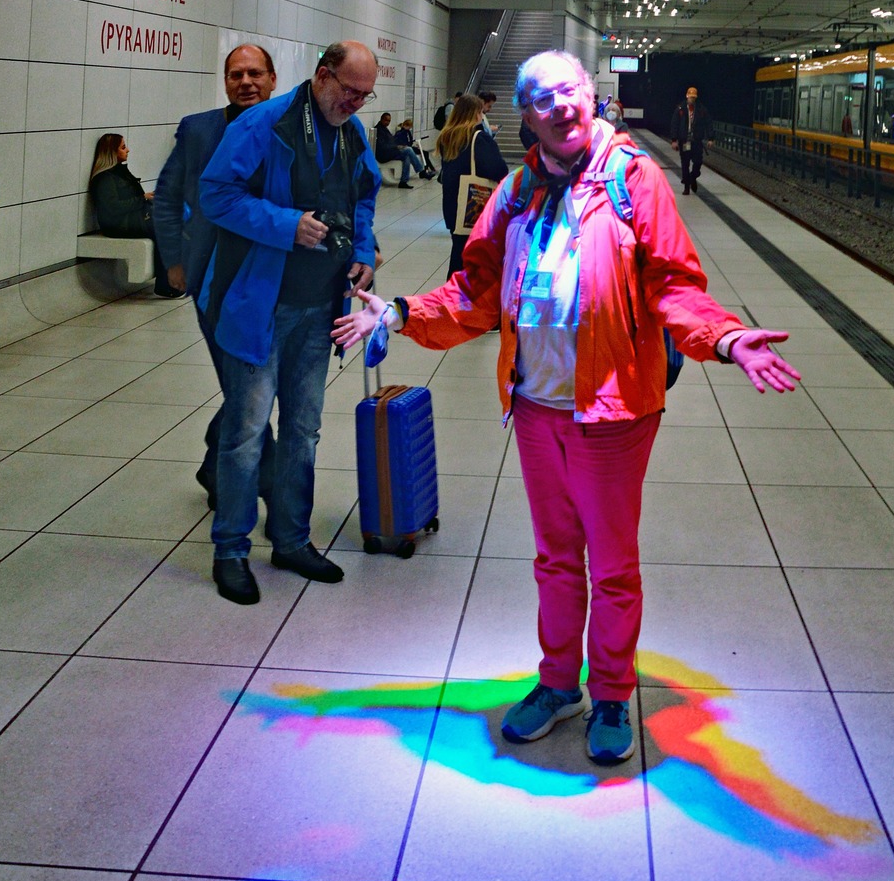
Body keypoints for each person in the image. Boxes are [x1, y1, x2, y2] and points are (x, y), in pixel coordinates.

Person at [333, 49, 799, 768]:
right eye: (545, 98)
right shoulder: (515, 192)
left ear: (592, 97)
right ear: (528, 115)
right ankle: (560, 684)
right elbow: (475, 293)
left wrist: (728, 337)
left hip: (613, 412)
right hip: (536, 407)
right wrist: (399, 313)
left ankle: (611, 691)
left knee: (611, 565)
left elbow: (675, 285)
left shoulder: (631, 179)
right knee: (555, 560)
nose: (562, 105)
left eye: (572, 91)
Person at [197, 40, 382, 605]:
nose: (354, 103)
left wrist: (365, 253)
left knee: (304, 429)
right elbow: (215, 194)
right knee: (246, 433)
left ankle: (291, 539)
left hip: (320, 308)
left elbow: (364, 199)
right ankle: (230, 549)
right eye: (348, 91)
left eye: (364, 96)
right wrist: (284, 225)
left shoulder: (352, 134)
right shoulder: (264, 123)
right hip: (259, 303)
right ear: (322, 75)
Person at [152, 43, 279, 508]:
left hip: (272, 279)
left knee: (250, 387)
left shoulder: (292, 130)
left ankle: (214, 465)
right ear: (225, 82)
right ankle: (276, 489)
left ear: (273, 80)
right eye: (235, 74)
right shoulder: (199, 130)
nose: (245, 82)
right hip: (213, 281)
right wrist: (174, 262)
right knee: (244, 386)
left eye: (255, 74)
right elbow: (166, 198)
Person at [88, 134, 174, 296]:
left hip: (129, 219)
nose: (128, 150)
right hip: (118, 224)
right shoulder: (104, 178)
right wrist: (143, 198)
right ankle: (166, 284)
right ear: (111, 152)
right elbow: (113, 207)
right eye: (123, 147)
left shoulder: (118, 173)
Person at [436, 91, 508, 277]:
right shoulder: (480, 138)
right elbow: (499, 170)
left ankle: (453, 294)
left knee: (458, 251)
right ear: (476, 113)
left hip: (453, 207)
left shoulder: (447, 137)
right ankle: (462, 297)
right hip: (474, 205)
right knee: (473, 257)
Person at [670, 85, 714, 196]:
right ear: (687, 97)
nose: (692, 99)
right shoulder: (680, 109)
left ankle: (692, 177)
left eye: (694, 98)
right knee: (685, 164)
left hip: (696, 141)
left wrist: (711, 138)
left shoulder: (701, 110)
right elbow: (674, 124)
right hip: (684, 141)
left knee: (698, 162)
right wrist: (674, 140)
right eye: (690, 97)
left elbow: (708, 123)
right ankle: (686, 187)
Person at [374, 111, 425, 189]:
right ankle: (421, 171)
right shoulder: (379, 130)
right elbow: (382, 145)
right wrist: (396, 147)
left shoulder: (384, 129)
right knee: (408, 149)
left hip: (390, 152)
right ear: (381, 119)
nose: (387, 122)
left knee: (406, 156)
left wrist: (398, 146)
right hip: (384, 154)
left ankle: (403, 182)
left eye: (389, 121)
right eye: (386, 120)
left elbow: (391, 141)